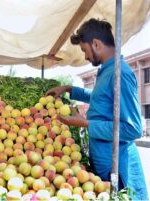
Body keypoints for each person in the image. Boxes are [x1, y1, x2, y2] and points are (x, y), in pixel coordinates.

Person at [46, 18, 148, 200]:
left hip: (119, 171)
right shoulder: (107, 71)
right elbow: (100, 97)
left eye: (85, 50)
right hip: (104, 169)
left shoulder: (120, 73)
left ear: (96, 44)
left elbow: (133, 129)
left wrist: (84, 123)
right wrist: (68, 89)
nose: (85, 56)